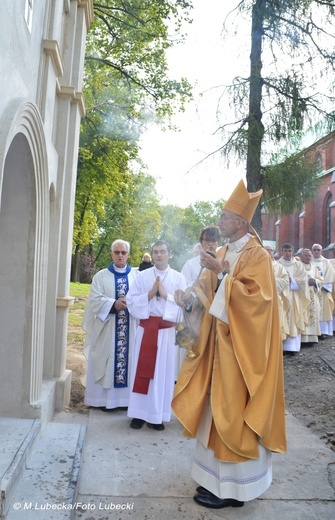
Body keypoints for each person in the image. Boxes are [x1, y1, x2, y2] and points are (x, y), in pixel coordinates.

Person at [172, 180, 287, 509]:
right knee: (214, 413)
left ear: (240, 221)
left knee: (233, 413)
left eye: (224, 217)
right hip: (216, 350)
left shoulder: (257, 255)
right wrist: (189, 300)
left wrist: (224, 274)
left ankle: (235, 490)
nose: (219, 221)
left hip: (240, 353)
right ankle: (215, 483)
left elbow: (259, 303)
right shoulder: (221, 252)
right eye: (221, 216)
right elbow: (206, 293)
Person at [126, 240, 187, 431]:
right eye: (155, 252)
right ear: (152, 255)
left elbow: (185, 307)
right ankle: (138, 414)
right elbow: (130, 301)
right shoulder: (142, 276)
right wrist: (150, 294)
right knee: (142, 372)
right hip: (146, 330)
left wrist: (165, 295)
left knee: (162, 374)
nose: (158, 255)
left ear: (170, 254)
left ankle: (156, 416)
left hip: (166, 333)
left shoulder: (178, 278)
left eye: (162, 252)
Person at [83, 240, 139, 410]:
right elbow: (94, 300)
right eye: (117, 252)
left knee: (128, 361)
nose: (120, 255)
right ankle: (101, 401)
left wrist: (131, 303)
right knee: (106, 360)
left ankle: (124, 402)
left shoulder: (136, 276)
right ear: (111, 254)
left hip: (130, 327)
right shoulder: (101, 276)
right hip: (107, 327)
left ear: (128, 255)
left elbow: (143, 298)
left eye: (123, 252)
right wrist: (113, 304)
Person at [277, 243, 310, 355]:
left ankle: (292, 348)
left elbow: (304, 279)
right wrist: (284, 281)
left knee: (294, 318)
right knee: (282, 319)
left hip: (294, 296)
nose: (288, 253)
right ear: (282, 251)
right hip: (281, 296)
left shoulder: (298, 265)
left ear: (293, 251)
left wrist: (292, 280)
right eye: (285, 251)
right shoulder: (276, 265)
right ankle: (280, 347)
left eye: (290, 251)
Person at [311, 243, 335, 338]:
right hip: (312, 290)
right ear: (312, 251)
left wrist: (323, 286)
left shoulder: (326, 262)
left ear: (321, 251)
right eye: (314, 250)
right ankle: (313, 331)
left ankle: (324, 331)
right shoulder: (308, 261)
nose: (316, 252)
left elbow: (330, 275)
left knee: (324, 310)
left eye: (318, 250)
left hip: (323, 290)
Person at [264, 244, 291, 341]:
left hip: (276, 299)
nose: (268, 252)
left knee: (276, 322)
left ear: (273, 252)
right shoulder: (257, 265)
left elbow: (285, 280)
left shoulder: (279, 267)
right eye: (266, 250)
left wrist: (271, 280)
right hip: (261, 300)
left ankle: (277, 347)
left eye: (270, 250)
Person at [299, 248, 323, 346]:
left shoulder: (314, 268)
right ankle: (303, 339)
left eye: (309, 256)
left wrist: (316, 282)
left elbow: (320, 279)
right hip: (302, 296)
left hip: (313, 295)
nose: (308, 257)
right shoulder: (298, 266)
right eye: (306, 255)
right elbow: (297, 279)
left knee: (313, 316)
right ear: (301, 256)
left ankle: (312, 338)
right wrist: (306, 282)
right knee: (303, 315)